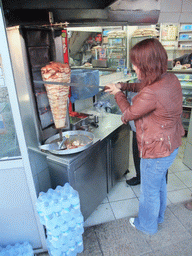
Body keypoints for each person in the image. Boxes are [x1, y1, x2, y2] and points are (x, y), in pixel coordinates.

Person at [105, 38, 185, 235]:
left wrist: (117, 93)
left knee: (148, 191)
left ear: (145, 65)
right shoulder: (169, 78)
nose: (133, 67)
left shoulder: (151, 92)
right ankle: (158, 217)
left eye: (135, 63)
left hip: (156, 150)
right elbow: (144, 88)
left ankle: (147, 225)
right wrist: (123, 86)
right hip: (171, 144)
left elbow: (129, 114)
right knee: (159, 185)